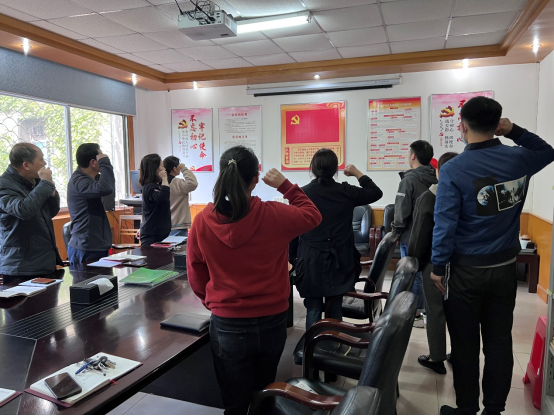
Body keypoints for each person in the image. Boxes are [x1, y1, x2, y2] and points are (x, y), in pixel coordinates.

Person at [431, 97, 554, 416]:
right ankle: (494, 410)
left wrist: (437, 267)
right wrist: (513, 131)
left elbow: (445, 223)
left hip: (465, 272)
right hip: (504, 270)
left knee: (464, 344)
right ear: (497, 124)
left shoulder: (453, 169)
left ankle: (466, 408)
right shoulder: (519, 159)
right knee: (499, 342)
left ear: (462, 126)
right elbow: (547, 151)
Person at [187, 146, 322, 415]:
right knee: (264, 394)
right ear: (255, 179)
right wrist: (285, 185)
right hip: (272, 320)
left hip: (227, 323)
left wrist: (214, 303)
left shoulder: (202, 222)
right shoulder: (274, 214)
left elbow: (196, 274)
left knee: (234, 402)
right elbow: (312, 215)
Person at [289, 149, 383, 330]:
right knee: (335, 306)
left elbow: (293, 231)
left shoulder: (302, 194)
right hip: (340, 260)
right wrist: (357, 173)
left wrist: (293, 259)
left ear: (312, 168)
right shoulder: (345, 191)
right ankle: (335, 343)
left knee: (313, 309)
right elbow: (375, 192)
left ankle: (313, 345)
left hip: (311, 260)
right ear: (335, 170)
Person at [408, 152, 458, 375]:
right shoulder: (467, 194)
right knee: (459, 310)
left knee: (435, 310)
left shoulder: (430, 197)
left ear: (438, 172)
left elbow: (419, 234)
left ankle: (436, 357)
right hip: (463, 264)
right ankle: (458, 354)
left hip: (434, 262)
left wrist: (415, 261)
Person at [0, 143, 63, 281]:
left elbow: (50, 213)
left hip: (43, 262)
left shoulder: (34, 182)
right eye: (41, 159)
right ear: (26, 165)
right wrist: (45, 184)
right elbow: (23, 210)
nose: (44, 163)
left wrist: (51, 193)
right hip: (21, 267)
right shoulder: (4, 185)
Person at [391, 140, 437, 327]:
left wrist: (396, 231)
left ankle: (416, 313)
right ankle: (425, 311)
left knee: (412, 274)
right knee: (426, 274)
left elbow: (402, 212)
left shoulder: (408, 180)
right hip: (432, 235)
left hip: (411, 236)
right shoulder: (436, 177)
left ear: (413, 156)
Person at [67, 143, 115, 265]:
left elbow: (108, 185)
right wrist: (105, 162)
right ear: (93, 162)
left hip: (94, 245)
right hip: (86, 247)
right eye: (100, 158)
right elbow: (105, 188)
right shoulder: (79, 181)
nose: (102, 159)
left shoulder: (90, 179)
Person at [139, 154, 171, 247]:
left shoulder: (157, 185)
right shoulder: (150, 186)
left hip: (161, 233)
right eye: (162, 166)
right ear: (155, 168)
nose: (164, 168)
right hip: (152, 234)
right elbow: (163, 199)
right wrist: (165, 178)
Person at [163, 156, 198, 238]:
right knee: (178, 246)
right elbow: (193, 183)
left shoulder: (161, 182)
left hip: (164, 224)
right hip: (178, 224)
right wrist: (184, 169)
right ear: (174, 168)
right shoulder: (177, 183)